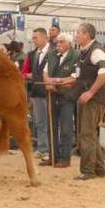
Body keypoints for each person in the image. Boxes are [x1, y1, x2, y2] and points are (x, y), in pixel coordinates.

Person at [70, 23, 105, 181]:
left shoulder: (96, 51)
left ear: (87, 35)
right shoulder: (85, 51)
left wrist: (91, 92)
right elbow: (80, 75)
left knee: (86, 134)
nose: (76, 35)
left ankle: (87, 170)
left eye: (78, 33)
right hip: (89, 97)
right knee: (90, 134)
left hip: (93, 99)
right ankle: (99, 168)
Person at [42, 33, 79, 168]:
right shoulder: (52, 54)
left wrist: (57, 81)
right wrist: (48, 82)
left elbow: (75, 76)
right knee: (51, 126)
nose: (58, 44)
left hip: (67, 96)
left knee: (66, 128)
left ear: (69, 43)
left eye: (62, 42)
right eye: (57, 42)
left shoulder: (76, 56)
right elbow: (45, 71)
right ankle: (53, 156)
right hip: (52, 95)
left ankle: (65, 158)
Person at [22, 28, 52, 157]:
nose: (33, 40)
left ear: (44, 38)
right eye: (33, 38)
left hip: (49, 91)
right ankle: (42, 147)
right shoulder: (33, 54)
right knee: (39, 122)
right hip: (36, 91)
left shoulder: (54, 52)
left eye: (36, 37)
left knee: (50, 122)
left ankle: (50, 149)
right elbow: (28, 72)